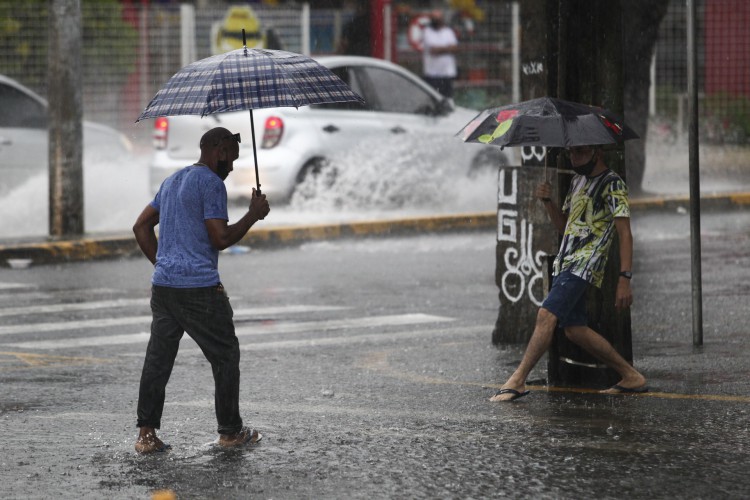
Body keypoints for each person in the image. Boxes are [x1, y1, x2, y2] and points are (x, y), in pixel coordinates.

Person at [132, 127, 271, 452]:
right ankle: (230, 431)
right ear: (220, 150)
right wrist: (252, 214)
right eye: (232, 159)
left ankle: (146, 436)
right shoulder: (211, 183)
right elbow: (219, 238)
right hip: (199, 289)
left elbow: (140, 226)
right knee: (225, 354)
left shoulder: (173, 180)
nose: (233, 167)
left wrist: (165, 262)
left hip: (164, 287)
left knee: (158, 360)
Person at [490, 145, 647, 402]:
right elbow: (565, 226)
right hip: (566, 262)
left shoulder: (612, 184)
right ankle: (630, 376)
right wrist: (549, 201)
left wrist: (624, 278)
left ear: (596, 153)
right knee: (574, 329)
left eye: (581, 153)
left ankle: (517, 380)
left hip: (584, 263)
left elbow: (625, 233)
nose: (574, 158)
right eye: (571, 153)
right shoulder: (576, 181)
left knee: (546, 314)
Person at [421, 9, 458, 99]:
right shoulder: (427, 32)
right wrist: (447, 48)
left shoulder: (448, 31)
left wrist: (441, 49)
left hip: (447, 73)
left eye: (438, 18)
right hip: (432, 74)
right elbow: (433, 50)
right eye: (434, 18)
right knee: (434, 99)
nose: (436, 20)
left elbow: (455, 48)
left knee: (448, 98)